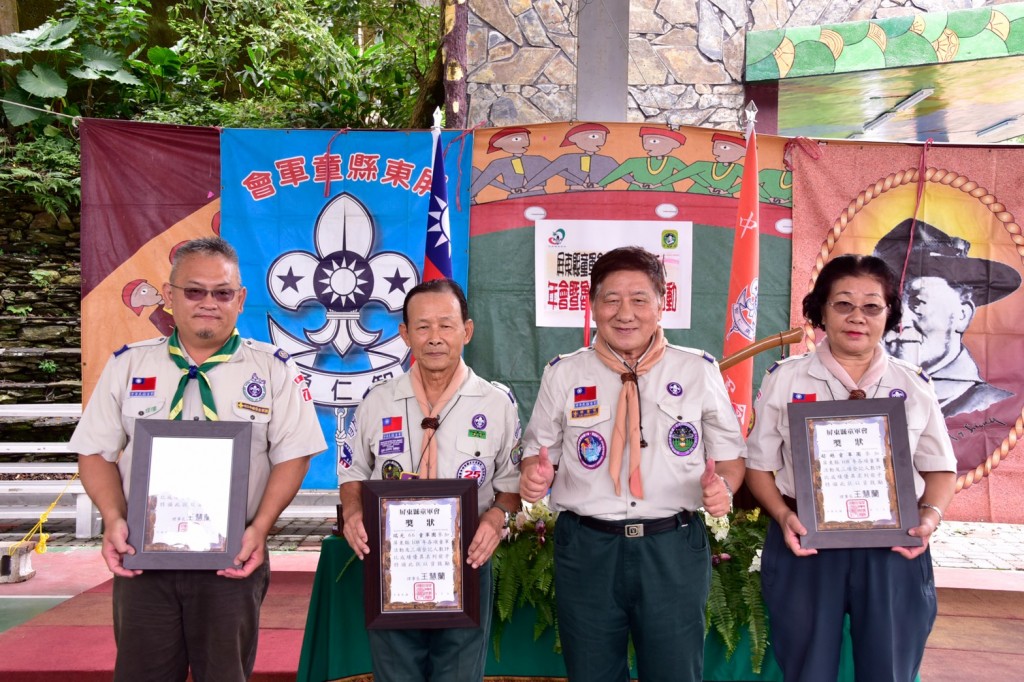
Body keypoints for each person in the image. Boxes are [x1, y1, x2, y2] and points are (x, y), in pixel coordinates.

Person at [69, 236, 327, 682]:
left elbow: (294, 456)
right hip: (143, 558)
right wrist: (112, 517)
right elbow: (94, 451)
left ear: (240, 299)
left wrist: (259, 530)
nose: (209, 303)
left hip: (232, 560)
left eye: (222, 292)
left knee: (225, 675)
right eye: (194, 291)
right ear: (169, 296)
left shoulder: (271, 369)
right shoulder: (128, 366)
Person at [519, 246, 745, 682]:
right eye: (611, 299)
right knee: (591, 673)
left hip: (672, 547)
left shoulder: (697, 371)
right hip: (587, 548)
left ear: (662, 306)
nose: (625, 313)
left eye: (639, 299)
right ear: (592, 305)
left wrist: (725, 490)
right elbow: (537, 454)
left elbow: (731, 460)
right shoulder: (564, 375)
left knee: (676, 673)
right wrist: (535, 478)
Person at [744, 254, 957, 682]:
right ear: (820, 309)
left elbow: (940, 470)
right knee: (807, 668)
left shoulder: (912, 384)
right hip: (805, 543)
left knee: (889, 668)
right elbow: (759, 467)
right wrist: (783, 515)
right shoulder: (786, 379)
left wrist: (929, 518)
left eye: (872, 306)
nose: (856, 317)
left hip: (892, 547)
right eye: (842, 304)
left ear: (890, 314)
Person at [338, 278, 522, 682]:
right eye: (422, 327)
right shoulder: (377, 401)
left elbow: (511, 489)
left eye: (446, 325)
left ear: (467, 331)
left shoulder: (497, 404)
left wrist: (495, 520)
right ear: (405, 334)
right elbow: (352, 475)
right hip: (392, 567)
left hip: (467, 563)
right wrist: (352, 512)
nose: (434, 338)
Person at [873, 219, 1021, 417]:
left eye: (919, 301)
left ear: (963, 314)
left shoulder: (996, 409)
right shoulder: (863, 399)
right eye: (887, 304)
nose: (901, 320)